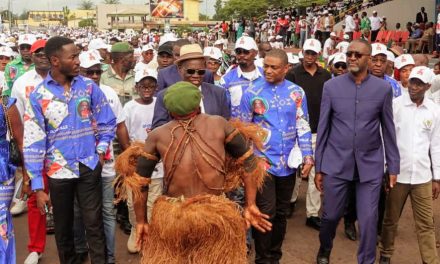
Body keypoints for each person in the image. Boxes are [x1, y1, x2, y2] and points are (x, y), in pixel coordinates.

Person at [115, 81, 271, 263]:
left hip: (174, 218)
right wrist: (250, 203)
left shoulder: (157, 135)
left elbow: (140, 183)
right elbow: (249, 163)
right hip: (216, 217)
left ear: (169, 111)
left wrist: (141, 221)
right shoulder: (219, 124)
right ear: (199, 104)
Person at [23, 36, 116, 264]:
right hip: (58, 172)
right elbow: (33, 142)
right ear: (55, 60)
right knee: (64, 230)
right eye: (72, 56)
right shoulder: (38, 96)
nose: (78, 61)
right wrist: (38, 186)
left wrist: (101, 151)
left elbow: (107, 121)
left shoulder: (88, 87)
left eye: (78, 55)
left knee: (94, 225)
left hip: (89, 166)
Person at [315, 39, 400, 264]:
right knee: (331, 216)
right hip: (336, 162)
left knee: (369, 219)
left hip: (370, 165)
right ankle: (325, 248)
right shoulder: (331, 87)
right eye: (349, 54)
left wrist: (393, 165)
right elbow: (323, 128)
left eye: (357, 55)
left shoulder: (383, 89)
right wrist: (319, 166)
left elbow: (388, 129)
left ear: (368, 59)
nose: (351, 58)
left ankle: (367, 261)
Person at [240, 49, 314, 264]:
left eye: (274, 67)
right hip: (261, 164)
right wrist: (245, 162)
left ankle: (275, 256)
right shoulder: (252, 93)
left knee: (281, 213)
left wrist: (308, 156)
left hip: (288, 164)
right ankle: (262, 259)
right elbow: (243, 129)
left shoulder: (297, 92)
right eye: (266, 66)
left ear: (285, 68)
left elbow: (302, 124)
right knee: (266, 211)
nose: (268, 71)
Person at [379, 66, 440, 264]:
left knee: (426, 223)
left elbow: (436, 145)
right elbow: (384, 139)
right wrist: (385, 169)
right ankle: (385, 255)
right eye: (412, 81)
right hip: (398, 174)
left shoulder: (434, 110)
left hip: (423, 176)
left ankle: (430, 260)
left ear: (428, 86)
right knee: (390, 220)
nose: (414, 86)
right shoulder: (395, 106)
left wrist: (437, 176)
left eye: (419, 84)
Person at [75, 50, 130, 263]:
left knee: (107, 212)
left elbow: (120, 125)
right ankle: (81, 253)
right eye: (90, 72)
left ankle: (109, 258)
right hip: (79, 166)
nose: (95, 76)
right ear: (80, 71)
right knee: (79, 213)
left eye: (98, 71)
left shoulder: (109, 92)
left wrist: (127, 154)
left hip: (106, 165)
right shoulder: (71, 93)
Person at [10, 39, 51, 264]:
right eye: (38, 52)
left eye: (47, 51)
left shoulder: (65, 78)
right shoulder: (21, 83)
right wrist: (26, 159)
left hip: (62, 148)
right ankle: (36, 248)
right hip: (35, 150)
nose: (42, 55)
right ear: (31, 56)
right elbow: (18, 123)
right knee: (36, 198)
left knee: (71, 199)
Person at [286, 39, 331, 231]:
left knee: (315, 172)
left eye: (313, 53)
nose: (309, 57)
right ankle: (291, 200)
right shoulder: (293, 73)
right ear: (302, 52)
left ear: (319, 54)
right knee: (295, 169)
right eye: (307, 53)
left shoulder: (326, 75)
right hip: (297, 132)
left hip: (319, 131)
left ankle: (312, 213)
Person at [152, 44, 230, 128]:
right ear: (180, 68)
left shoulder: (219, 93)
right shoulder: (164, 96)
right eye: (191, 71)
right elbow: (158, 128)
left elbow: (226, 124)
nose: (196, 75)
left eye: (201, 72)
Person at [220, 36, 265, 118]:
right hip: (238, 128)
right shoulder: (226, 80)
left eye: (246, 52)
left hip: (264, 128)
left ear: (255, 53)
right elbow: (224, 109)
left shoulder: (266, 76)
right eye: (238, 52)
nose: (242, 55)